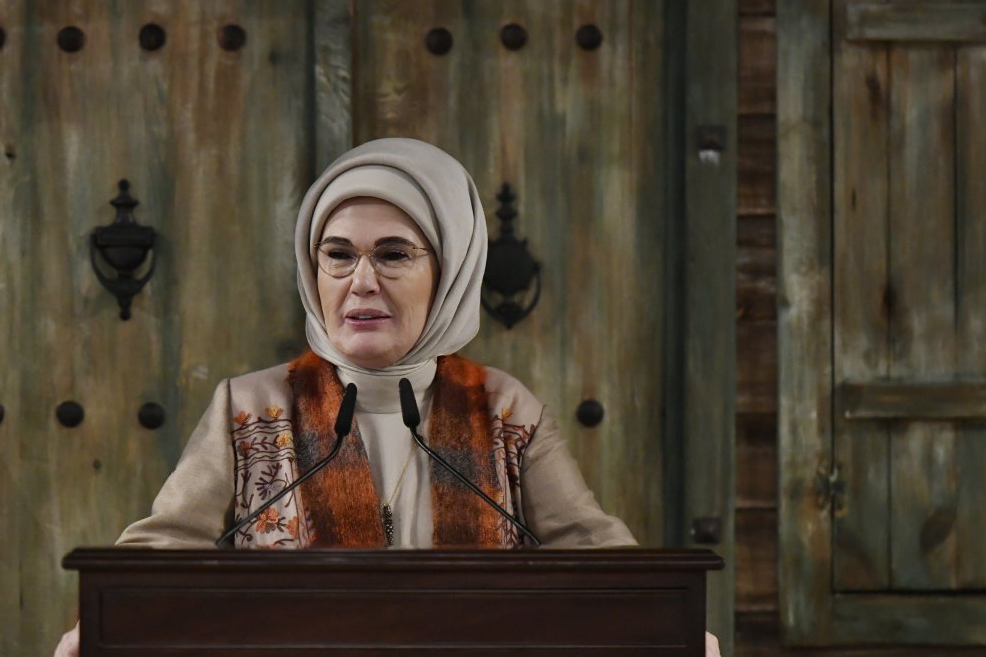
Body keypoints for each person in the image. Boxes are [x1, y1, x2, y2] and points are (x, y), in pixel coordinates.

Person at [56, 138, 718, 656]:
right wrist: (103, 623)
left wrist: (673, 625)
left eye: (394, 254)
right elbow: (161, 553)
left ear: (450, 270)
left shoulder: (502, 407)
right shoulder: (250, 405)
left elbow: (596, 558)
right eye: (338, 255)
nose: (360, 282)